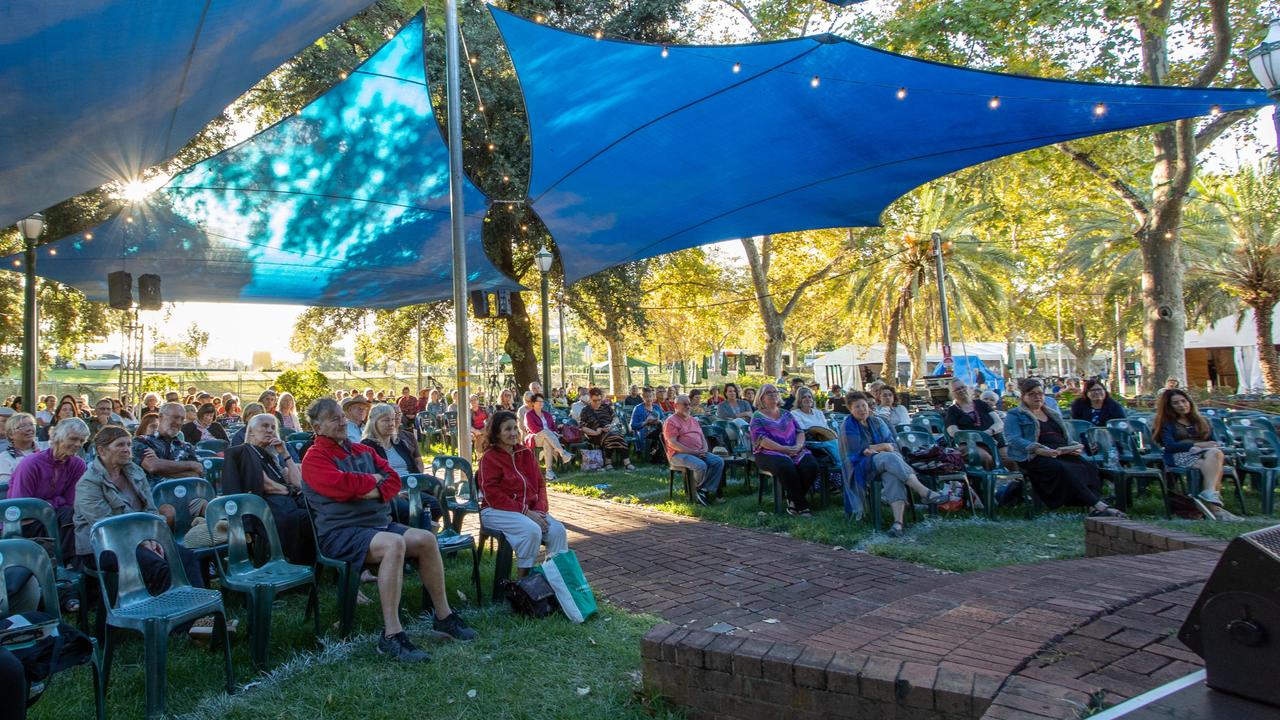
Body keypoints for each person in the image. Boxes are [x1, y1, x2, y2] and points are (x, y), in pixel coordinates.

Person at [301, 398, 475, 662]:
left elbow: (393, 480)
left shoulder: (361, 451)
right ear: (317, 427)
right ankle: (392, 635)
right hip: (340, 533)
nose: (342, 421)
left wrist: (365, 489)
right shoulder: (314, 458)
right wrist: (372, 483)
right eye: (334, 418)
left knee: (427, 539)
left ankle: (444, 616)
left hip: (377, 525)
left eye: (341, 416)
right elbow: (339, 486)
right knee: (394, 544)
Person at [74, 426, 203, 595]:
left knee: (186, 557)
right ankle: (164, 616)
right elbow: (105, 526)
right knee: (158, 566)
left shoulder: (134, 470)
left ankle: (201, 616)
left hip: (142, 539)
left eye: (128, 444)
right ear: (101, 450)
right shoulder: (89, 483)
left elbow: (151, 509)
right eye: (120, 445)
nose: (127, 449)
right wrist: (142, 541)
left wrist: (153, 537)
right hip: (103, 546)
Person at [1005, 378, 1124, 517]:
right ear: (1023, 396)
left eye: (1040, 393)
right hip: (1034, 454)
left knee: (1089, 468)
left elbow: (1065, 436)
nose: (1037, 396)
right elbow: (1013, 438)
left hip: (1060, 450)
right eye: (1031, 394)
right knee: (1063, 469)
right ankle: (1099, 505)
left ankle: (1093, 509)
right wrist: (1037, 449)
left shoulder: (1051, 413)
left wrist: (1074, 446)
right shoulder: (1015, 414)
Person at [842, 392, 951, 536]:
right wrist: (882, 447)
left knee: (891, 473)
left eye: (864, 405)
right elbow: (857, 450)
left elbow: (892, 444)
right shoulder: (848, 425)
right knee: (889, 457)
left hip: (884, 461)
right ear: (850, 409)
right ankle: (924, 491)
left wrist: (876, 448)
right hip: (859, 466)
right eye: (857, 407)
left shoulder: (877, 422)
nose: (862, 409)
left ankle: (898, 523)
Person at [478, 411, 569, 576]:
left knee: (558, 531)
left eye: (515, 428)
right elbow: (492, 495)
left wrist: (540, 511)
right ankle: (523, 582)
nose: (513, 433)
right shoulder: (489, 458)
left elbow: (540, 485)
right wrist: (526, 512)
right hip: (495, 511)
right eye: (507, 429)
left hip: (531, 511)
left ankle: (556, 579)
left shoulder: (525, 453)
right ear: (496, 433)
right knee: (531, 530)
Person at [222, 413, 314, 564]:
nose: (270, 430)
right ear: (251, 431)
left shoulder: (270, 457)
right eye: (264, 426)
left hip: (284, 504)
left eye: (273, 427)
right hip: (265, 510)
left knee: (318, 512)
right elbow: (265, 485)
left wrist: (285, 454)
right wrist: (289, 491)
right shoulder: (245, 451)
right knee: (309, 517)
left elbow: (298, 484)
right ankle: (305, 564)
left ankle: (317, 563)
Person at [8, 418, 88, 563]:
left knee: (77, 517)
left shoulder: (78, 465)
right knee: (69, 519)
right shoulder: (31, 464)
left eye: (81, 441)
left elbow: (71, 502)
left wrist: (45, 504)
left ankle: (73, 568)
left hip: (58, 520)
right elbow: (22, 509)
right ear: (57, 437)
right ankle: (65, 566)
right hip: (24, 524)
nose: (77, 445)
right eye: (73, 439)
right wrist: (56, 502)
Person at [1152, 388, 1239, 520]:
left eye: (1184, 401)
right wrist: (1195, 445)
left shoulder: (1202, 420)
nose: (1181, 405)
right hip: (1180, 456)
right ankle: (1214, 505)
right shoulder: (1167, 424)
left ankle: (1209, 497)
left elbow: (1213, 442)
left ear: (1189, 402)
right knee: (1215, 464)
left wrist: (1204, 447)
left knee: (1215, 454)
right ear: (1169, 407)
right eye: (1176, 403)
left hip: (1206, 455)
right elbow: (1170, 446)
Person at [750, 384, 819, 516]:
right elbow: (761, 440)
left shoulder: (786, 414)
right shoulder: (757, 416)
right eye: (769, 393)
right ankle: (801, 506)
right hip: (768, 452)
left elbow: (800, 432)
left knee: (811, 466)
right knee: (786, 466)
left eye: (775, 392)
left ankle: (793, 500)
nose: (773, 394)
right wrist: (783, 449)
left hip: (794, 449)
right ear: (761, 398)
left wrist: (798, 446)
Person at [663, 395, 724, 506]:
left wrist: (704, 450)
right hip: (678, 455)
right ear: (676, 406)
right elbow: (673, 443)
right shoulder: (671, 421)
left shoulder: (693, 420)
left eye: (689, 404)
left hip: (698, 452)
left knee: (718, 461)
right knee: (700, 466)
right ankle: (696, 491)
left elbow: (702, 437)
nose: (688, 406)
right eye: (685, 404)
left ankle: (703, 490)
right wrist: (693, 452)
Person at [133, 402, 205, 485]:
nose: (179, 422)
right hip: (153, 496)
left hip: (185, 494)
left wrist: (160, 466)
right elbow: (152, 466)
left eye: (182, 419)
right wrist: (191, 465)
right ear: (161, 417)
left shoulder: (186, 447)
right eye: (175, 417)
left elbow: (196, 475)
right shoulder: (141, 441)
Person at [943, 380, 1006, 468]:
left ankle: (1015, 480)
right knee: (985, 458)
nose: (961, 390)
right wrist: (977, 437)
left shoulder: (982, 404)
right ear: (952, 394)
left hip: (994, 440)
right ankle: (991, 480)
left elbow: (999, 423)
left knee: (1010, 457)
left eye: (963, 387)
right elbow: (953, 432)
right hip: (970, 444)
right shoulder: (952, 410)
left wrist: (988, 433)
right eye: (957, 389)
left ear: (968, 388)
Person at [361, 403, 424, 479]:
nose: (391, 424)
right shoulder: (367, 446)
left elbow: (415, 469)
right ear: (374, 422)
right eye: (386, 420)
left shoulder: (398, 443)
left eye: (393, 419)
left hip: (411, 484)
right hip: (389, 487)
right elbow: (370, 477)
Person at [579, 388, 633, 471]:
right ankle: (626, 462)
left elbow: (615, 418)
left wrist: (611, 425)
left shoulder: (606, 407)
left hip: (610, 430)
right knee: (615, 436)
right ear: (590, 399)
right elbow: (582, 427)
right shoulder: (585, 410)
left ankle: (608, 463)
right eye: (594, 400)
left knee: (615, 435)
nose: (597, 402)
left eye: (599, 400)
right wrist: (596, 432)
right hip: (595, 434)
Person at [522, 393, 573, 480]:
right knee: (545, 432)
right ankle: (562, 453)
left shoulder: (547, 414)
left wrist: (554, 432)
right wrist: (550, 433)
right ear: (533, 403)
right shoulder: (529, 415)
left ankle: (549, 472)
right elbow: (533, 429)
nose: (541, 403)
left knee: (547, 441)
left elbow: (554, 427)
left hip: (548, 438)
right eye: (539, 401)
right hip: (535, 437)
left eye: (542, 401)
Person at [790, 387, 839, 470]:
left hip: (825, 440)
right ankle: (840, 464)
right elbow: (803, 430)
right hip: (809, 442)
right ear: (799, 400)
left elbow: (826, 429)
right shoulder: (795, 414)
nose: (807, 399)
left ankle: (840, 466)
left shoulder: (819, 413)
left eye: (809, 397)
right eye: (804, 397)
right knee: (834, 446)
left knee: (838, 442)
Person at [0, 413, 39, 491]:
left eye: (31, 424)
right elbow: (6, 488)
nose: (29, 429)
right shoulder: (5, 458)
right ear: (11, 434)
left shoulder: (45, 450)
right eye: (23, 426)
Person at [629, 388, 666, 464]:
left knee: (663, 433)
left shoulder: (656, 407)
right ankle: (658, 457)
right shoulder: (638, 408)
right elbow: (633, 425)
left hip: (657, 430)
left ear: (653, 397)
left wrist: (659, 421)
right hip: (644, 432)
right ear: (643, 398)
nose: (649, 399)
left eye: (650, 396)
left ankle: (659, 456)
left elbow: (664, 419)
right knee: (662, 434)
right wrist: (645, 422)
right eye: (646, 397)